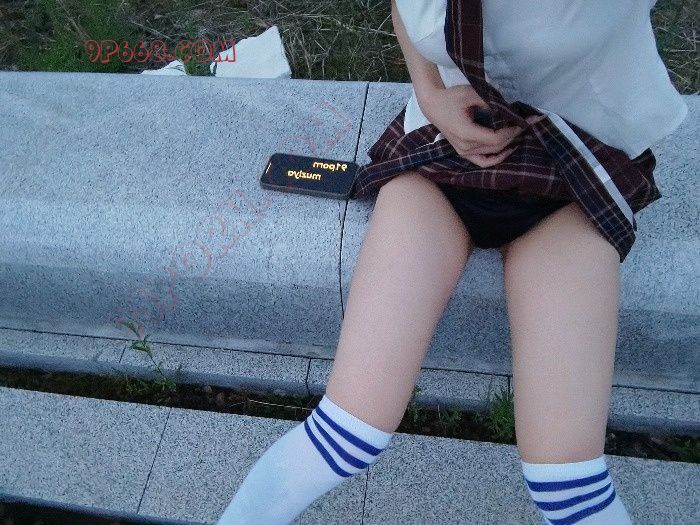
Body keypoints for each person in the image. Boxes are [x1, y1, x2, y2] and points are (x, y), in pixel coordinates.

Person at [215, 1, 687, 523]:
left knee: (568, 485)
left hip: (574, 174)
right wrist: (430, 92)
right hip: (440, 158)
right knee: (346, 436)